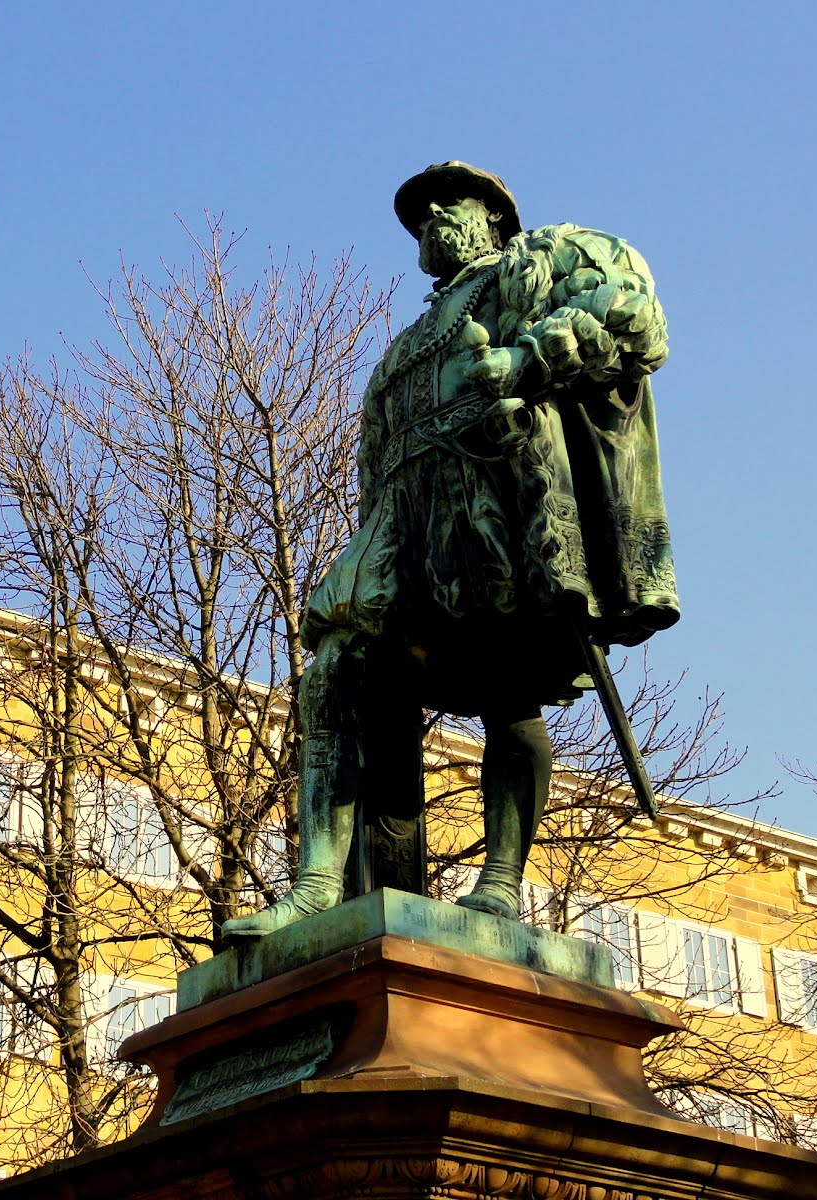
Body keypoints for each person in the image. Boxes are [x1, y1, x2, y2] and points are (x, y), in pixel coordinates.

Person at [223, 162, 676, 936]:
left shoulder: (542, 262)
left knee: (509, 684)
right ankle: (318, 885)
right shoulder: (405, 346)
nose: (431, 216)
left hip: (493, 507)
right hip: (404, 524)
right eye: (419, 213)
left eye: (448, 203)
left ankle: (500, 881)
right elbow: (375, 457)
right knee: (336, 671)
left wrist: (527, 360)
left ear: (494, 215)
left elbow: (634, 316)